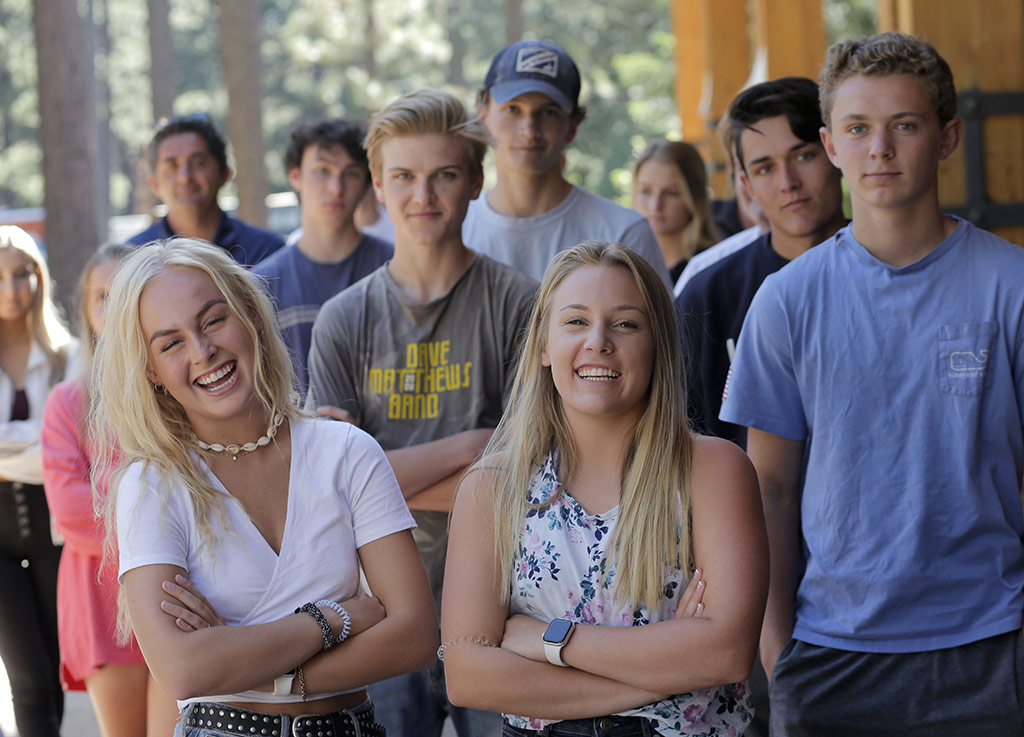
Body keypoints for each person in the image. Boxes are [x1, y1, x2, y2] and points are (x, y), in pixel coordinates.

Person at [720, 32, 1024, 735]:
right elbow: (767, 487)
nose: (879, 149)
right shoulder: (786, 301)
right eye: (858, 128)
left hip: (993, 642)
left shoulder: (1010, 285)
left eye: (905, 126)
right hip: (832, 654)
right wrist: (779, 655)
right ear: (831, 145)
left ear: (947, 138)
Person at [90, 238, 436, 737]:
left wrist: (250, 664)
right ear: (151, 370)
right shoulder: (152, 486)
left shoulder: (347, 451)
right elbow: (183, 669)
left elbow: (415, 635)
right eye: (171, 343)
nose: (203, 351)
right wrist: (332, 621)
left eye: (213, 320)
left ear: (250, 313)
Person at [442, 240, 768, 736]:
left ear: (657, 344)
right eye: (575, 321)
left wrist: (552, 640)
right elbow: (468, 677)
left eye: (626, 323)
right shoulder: (493, 487)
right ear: (543, 346)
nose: (598, 341)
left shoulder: (713, 469)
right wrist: (666, 674)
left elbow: (725, 654)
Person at [306, 88, 538, 737]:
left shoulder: (519, 304)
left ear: (474, 182)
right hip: (380, 611)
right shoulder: (344, 320)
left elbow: (530, 479)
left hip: (503, 608)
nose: (423, 195)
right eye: (404, 176)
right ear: (377, 184)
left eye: (444, 175)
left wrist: (374, 474)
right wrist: (474, 445)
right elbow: (330, 494)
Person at [41, 243, 178, 737]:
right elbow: (72, 511)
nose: (115, 306)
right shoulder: (68, 403)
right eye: (103, 296)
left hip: (177, 593)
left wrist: (118, 498)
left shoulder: (176, 390)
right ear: (87, 311)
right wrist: (161, 522)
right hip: (100, 598)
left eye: (128, 293)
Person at [676, 77, 846, 448]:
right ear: (746, 184)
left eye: (803, 155)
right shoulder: (707, 296)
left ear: (836, 153)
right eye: (765, 168)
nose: (789, 182)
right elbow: (682, 438)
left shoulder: (892, 270)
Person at [464, 40, 671, 285]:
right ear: (482, 114)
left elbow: (656, 324)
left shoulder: (622, 233)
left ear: (573, 124)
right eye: (512, 109)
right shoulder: (455, 228)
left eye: (548, 112)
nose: (529, 130)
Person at [0, 225, 78, 737]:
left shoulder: (68, 355)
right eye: (1, 276)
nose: (13, 288)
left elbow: (70, 447)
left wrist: (19, 444)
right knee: (26, 681)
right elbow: (50, 444)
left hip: (58, 533)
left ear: (40, 277)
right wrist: (40, 440)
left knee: (56, 678)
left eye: (23, 273)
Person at [252, 119, 393, 393]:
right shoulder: (262, 285)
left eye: (351, 173)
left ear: (368, 183)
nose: (336, 188)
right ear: (296, 176)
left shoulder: (396, 269)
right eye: (322, 171)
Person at [127, 113, 284, 265]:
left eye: (199, 163)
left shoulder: (266, 252)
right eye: (172, 166)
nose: (185, 177)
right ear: (154, 184)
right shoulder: (132, 259)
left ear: (224, 174)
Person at [631, 139, 719, 284]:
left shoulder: (711, 266)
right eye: (645, 191)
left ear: (695, 196)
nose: (655, 205)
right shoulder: (626, 267)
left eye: (671, 193)